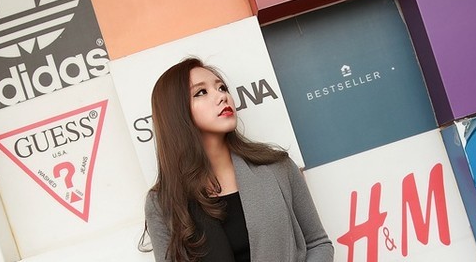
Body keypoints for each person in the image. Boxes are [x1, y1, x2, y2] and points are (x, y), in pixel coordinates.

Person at [142, 57, 334, 262]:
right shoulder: (162, 202)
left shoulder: (277, 167)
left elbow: (318, 243)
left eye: (222, 88)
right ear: (176, 112)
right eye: (201, 92)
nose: (222, 96)